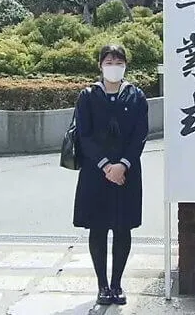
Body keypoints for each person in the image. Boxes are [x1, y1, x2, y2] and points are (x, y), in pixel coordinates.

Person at [73, 45, 149, 306]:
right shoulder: (88, 96)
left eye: (118, 61)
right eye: (109, 61)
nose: (113, 65)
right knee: (98, 228)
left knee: (122, 228)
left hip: (127, 173)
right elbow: (84, 135)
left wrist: (123, 165)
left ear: (126, 64)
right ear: (100, 65)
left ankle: (117, 283)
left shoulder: (136, 95)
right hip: (96, 173)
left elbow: (140, 135)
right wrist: (107, 166)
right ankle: (102, 285)